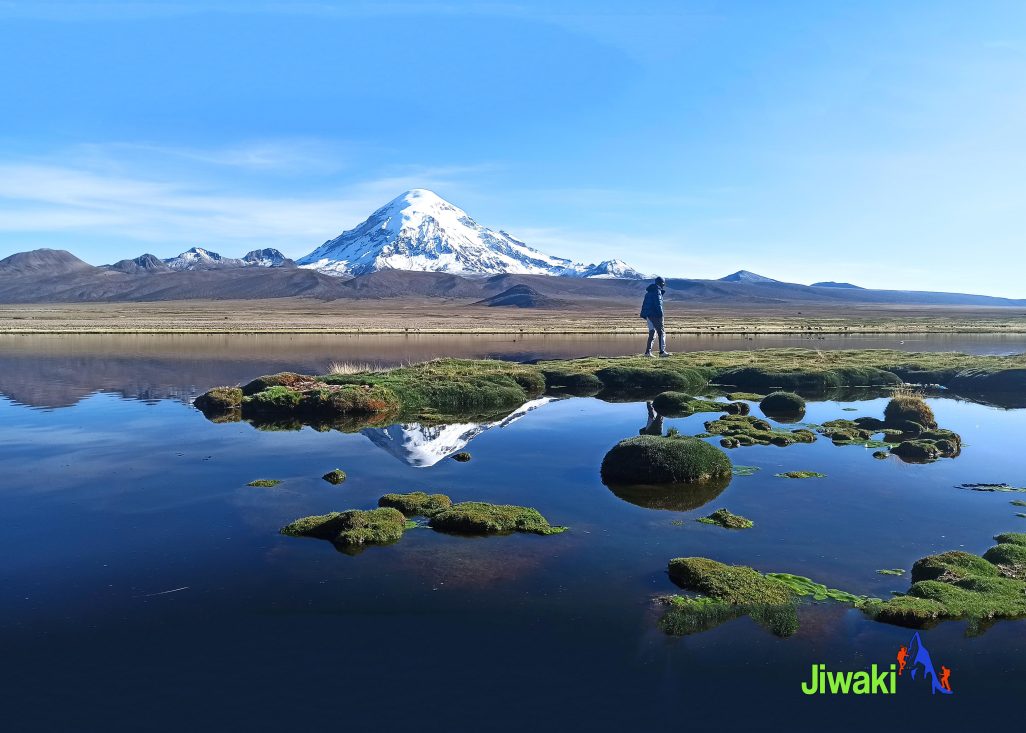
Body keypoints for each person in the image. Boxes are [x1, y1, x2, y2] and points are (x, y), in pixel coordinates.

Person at [640, 276, 671, 357]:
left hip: (648, 315)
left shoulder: (649, 292)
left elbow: (645, 305)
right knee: (661, 332)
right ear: (662, 283)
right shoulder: (657, 291)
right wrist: (660, 314)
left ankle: (647, 353)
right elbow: (658, 304)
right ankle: (662, 352)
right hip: (655, 315)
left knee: (652, 332)